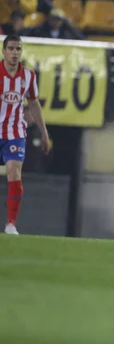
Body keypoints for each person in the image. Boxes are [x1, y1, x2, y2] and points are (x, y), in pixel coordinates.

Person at [0, 34, 50, 234]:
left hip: (15, 132)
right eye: (11, 48)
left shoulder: (28, 76)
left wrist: (44, 132)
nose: (14, 53)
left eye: (18, 49)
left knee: (14, 172)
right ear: (4, 51)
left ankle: (11, 224)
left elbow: (34, 103)